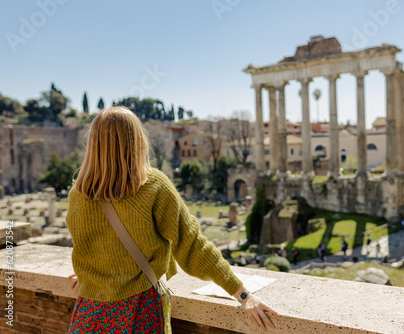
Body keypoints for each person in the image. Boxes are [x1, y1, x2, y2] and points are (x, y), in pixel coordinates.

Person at [66, 107, 278, 332]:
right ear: (137, 141)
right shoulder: (152, 186)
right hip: (137, 311)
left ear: (94, 144)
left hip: (89, 311)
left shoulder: (78, 195)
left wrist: (91, 277)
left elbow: (92, 245)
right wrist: (242, 294)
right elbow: (192, 245)